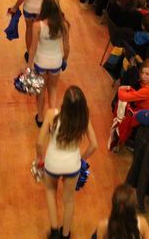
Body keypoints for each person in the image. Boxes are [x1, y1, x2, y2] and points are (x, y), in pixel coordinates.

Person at [36, 86, 98, 239]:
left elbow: (39, 143)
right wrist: (82, 159)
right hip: (72, 165)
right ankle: (65, 234)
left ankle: (54, 231)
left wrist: (39, 158)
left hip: (52, 163)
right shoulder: (84, 119)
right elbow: (94, 145)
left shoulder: (51, 114)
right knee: (69, 200)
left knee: (50, 191)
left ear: (64, 102)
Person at [27, 0, 70, 128]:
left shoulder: (37, 25)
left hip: (40, 62)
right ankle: (53, 120)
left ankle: (40, 118)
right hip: (56, 62)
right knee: (53, 89)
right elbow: (67, 47)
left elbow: (33, 48)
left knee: (41, 91)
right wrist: (64, 60)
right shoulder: (64, 25)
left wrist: (29, 66)